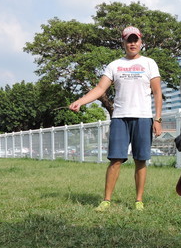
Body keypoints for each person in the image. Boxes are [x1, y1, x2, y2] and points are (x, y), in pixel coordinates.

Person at [69, 26, 163, 211]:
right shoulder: (114, 65)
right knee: (115, 160)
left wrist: (157, 119)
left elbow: (157, 92)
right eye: (129, 40)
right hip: (120, 117)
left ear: (141, 42)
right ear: (123, 42)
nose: (133, 43)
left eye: (136, 40)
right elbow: (99, 89)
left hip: (143, 118)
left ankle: (138, 201)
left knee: (141, 160)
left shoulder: (149, 63)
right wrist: (80, 101)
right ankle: (106, 200)